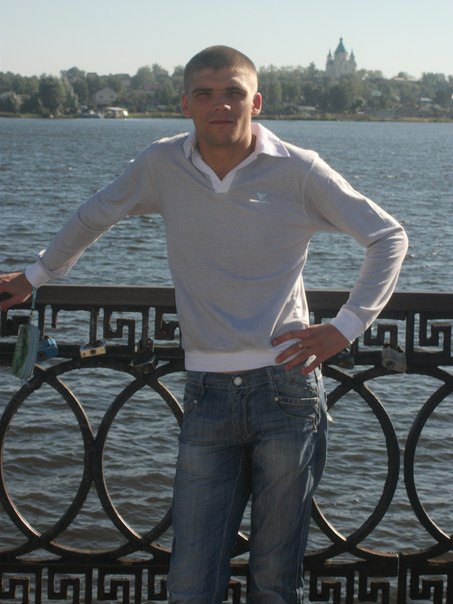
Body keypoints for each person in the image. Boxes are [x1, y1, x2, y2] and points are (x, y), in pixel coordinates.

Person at [0, 46, 408, 603]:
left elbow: (387, 237)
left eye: (234, 92)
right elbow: (95, 213)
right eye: (206, 94)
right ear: (186, 104)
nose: (221, 104)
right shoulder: (162, 164)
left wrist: (345, 326)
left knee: (274, 580)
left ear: (256, 102)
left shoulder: (298, 169)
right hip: (207, 394)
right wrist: (36, 275)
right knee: (191, 581)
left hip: (286, 390)